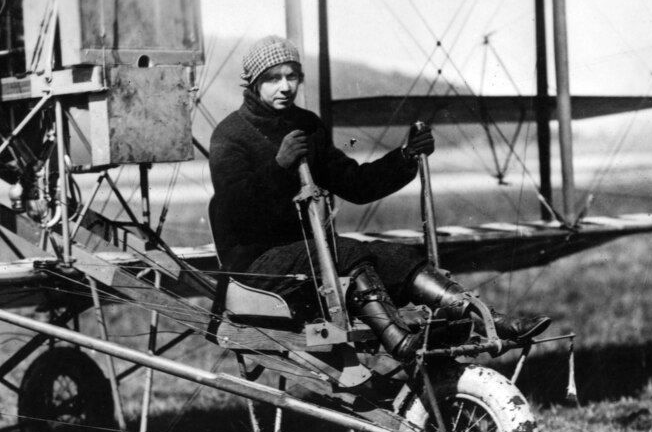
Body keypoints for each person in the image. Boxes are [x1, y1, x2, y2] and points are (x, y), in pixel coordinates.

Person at [209, 35, 550, 360]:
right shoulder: (231, 134)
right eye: (273, 78)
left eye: (292, 76)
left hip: (311, 260)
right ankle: (399, 340)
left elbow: (356, 184)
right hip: (254, 270)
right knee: (346, 252)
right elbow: (235, 211)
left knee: (397, 256)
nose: (285, 86)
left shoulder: (306, 124)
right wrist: (279, 166)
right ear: (253, 83)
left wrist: (405, 157)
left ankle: (486, 319)